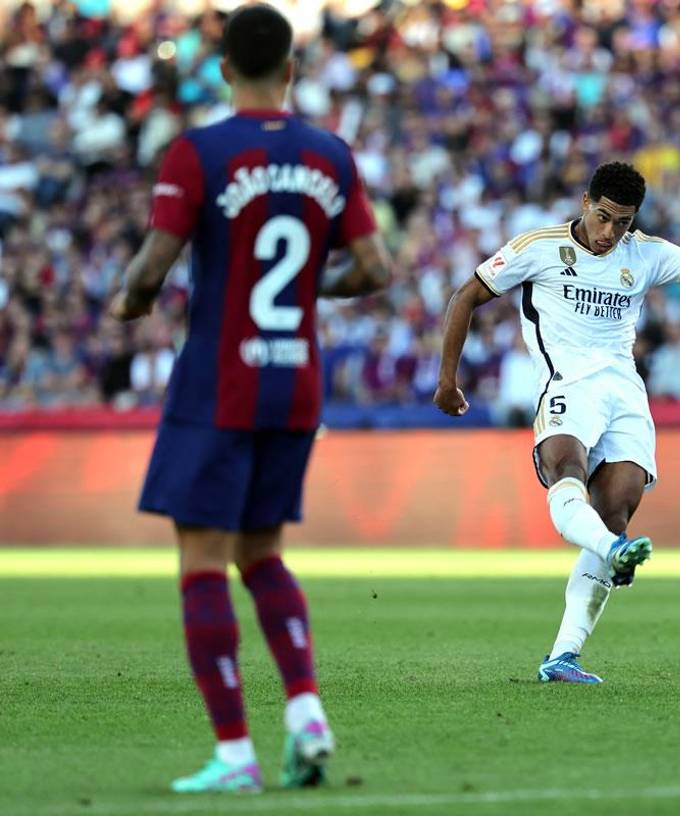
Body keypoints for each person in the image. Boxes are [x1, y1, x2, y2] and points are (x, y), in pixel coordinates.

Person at [108, 4, 390, 795]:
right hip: (295, 380)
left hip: (219, 379)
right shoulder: (330, 154)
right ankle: (305, 711)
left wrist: (129, 302)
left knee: (202, 561)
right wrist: (311, 292)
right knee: (262, 555)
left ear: (224, 68)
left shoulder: (201, 151)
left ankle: (235, 752)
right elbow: (375, 268)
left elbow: (152, 267)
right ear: (291, 71)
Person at [433, 161, 680, 684]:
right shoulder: (539, 247)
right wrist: (447, 379)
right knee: (566, 472)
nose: (609, 233)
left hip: (624, 393)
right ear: (584, 203)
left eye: (622, 222)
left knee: (614, 511)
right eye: (603, 218)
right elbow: (466, 295)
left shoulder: (644, 254)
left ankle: (563, 656)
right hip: (566, 385)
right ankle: (614, 553)